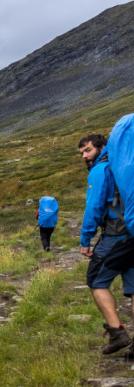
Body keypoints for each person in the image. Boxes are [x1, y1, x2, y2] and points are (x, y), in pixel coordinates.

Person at [78, 134, 134, 354]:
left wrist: (86, 240)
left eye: (88, 150)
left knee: (96, 281)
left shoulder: (102, 170)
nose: (84, 156)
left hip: (116, 235)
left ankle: (117, 333)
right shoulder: (125, 165)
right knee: (132, 287)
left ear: (102, 148)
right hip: (133, 233)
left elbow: (93, 208)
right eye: (82, 152)